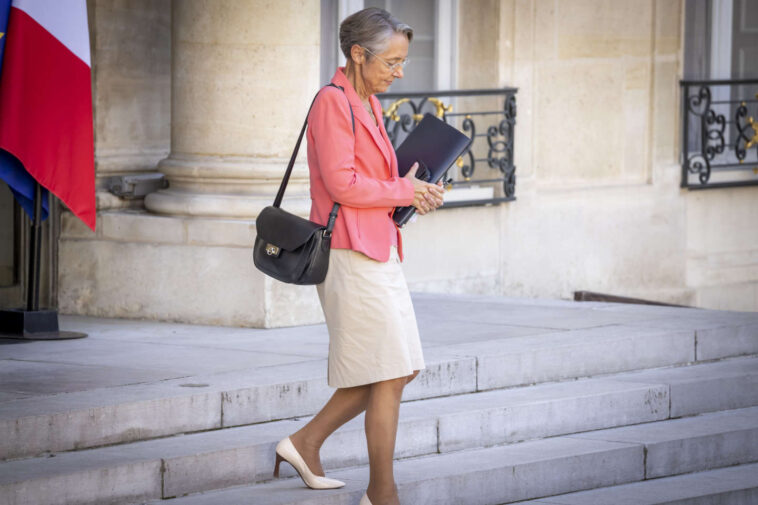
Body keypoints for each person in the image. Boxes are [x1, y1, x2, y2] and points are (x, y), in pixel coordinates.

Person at [271, 7, 445, 505]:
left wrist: (415, 194)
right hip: (349, 253)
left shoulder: (367, 102)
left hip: (379, 247)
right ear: (356, 54)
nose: (399, 71)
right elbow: (341, 184)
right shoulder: (333, 102)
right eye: (390, 62)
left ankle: (303, 443)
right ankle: (382, 494)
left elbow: (379, 185)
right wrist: (401, 190)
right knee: (389, 370)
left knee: (400, 367)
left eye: (402, 62)